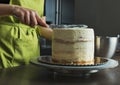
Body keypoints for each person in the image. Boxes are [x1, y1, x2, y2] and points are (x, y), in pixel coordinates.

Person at [0, 0, 53, 68]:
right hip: (4, 49)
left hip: (32, 54)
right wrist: (13, 9)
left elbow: (40, 26)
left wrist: (64, 38)